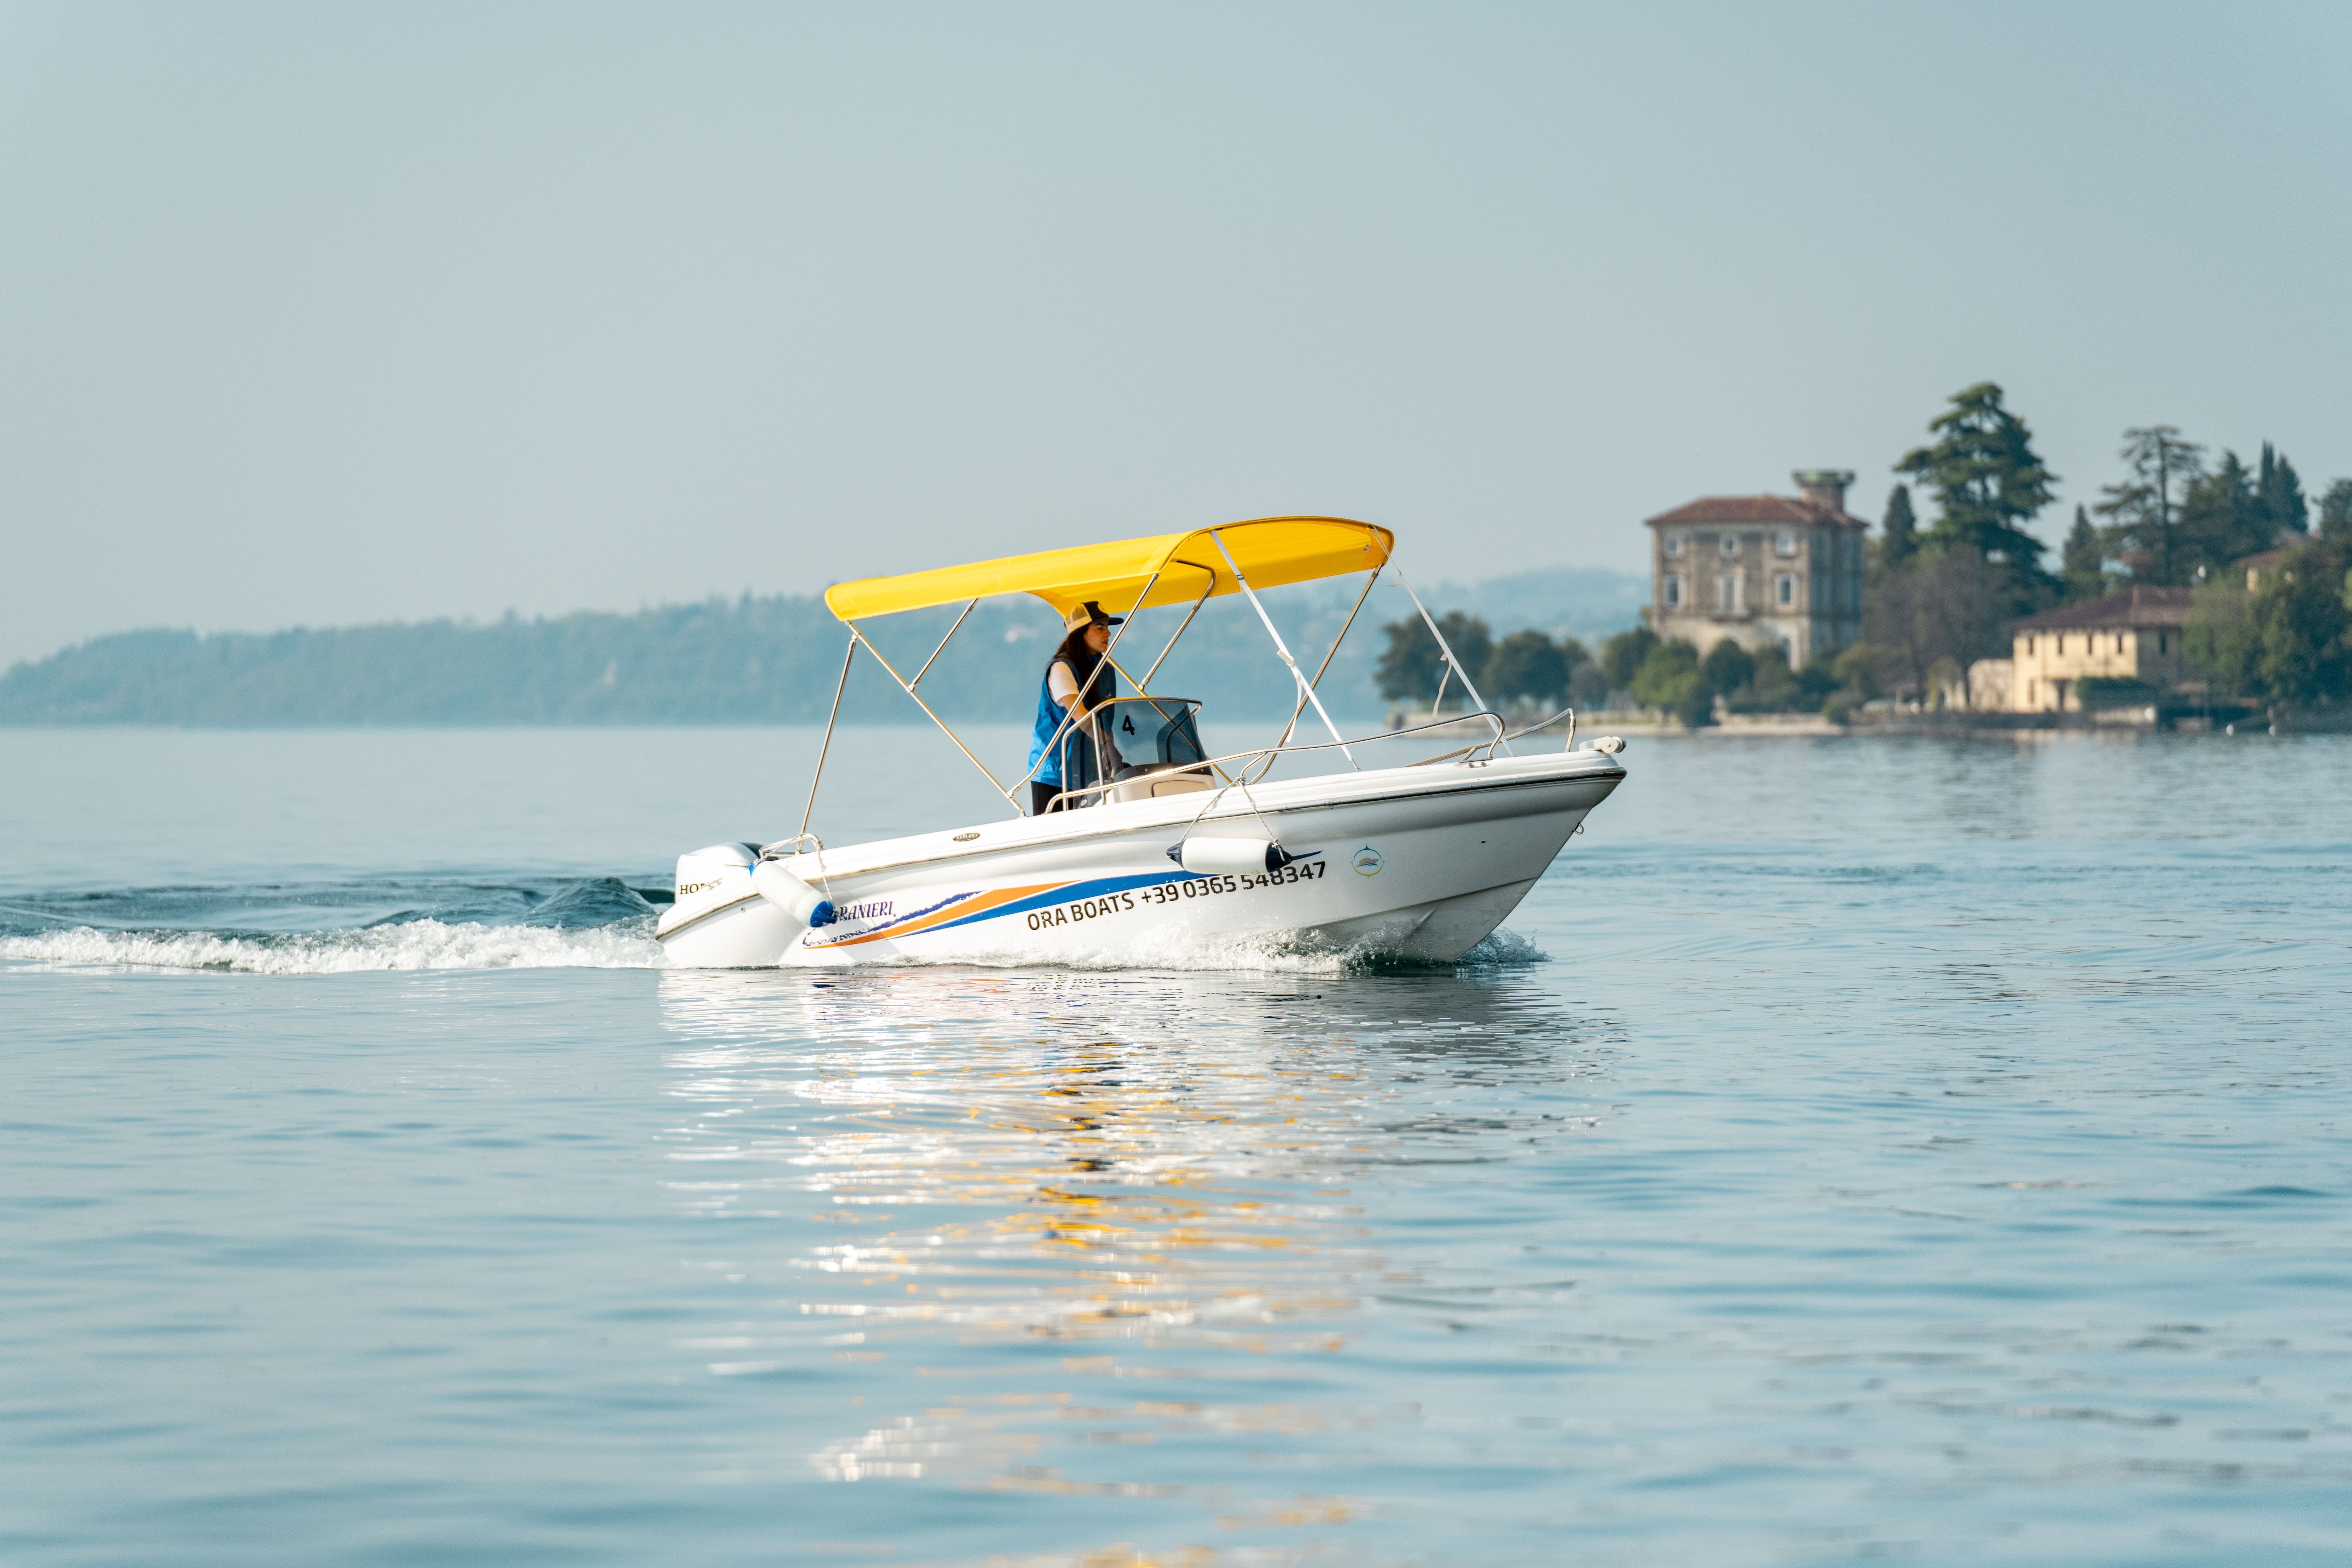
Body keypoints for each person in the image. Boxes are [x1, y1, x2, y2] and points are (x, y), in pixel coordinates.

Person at [1027, 601, 1127, 815]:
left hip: (1088, 771)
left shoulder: (1105, 669)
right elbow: (1080, 716)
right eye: (1100, 628)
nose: (1108, 633)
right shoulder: (1062, 668)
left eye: (1108, 627)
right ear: (1080, 634)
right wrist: (1109, 747)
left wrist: (1111, 753)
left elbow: (1104, 720)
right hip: (1055, 772)